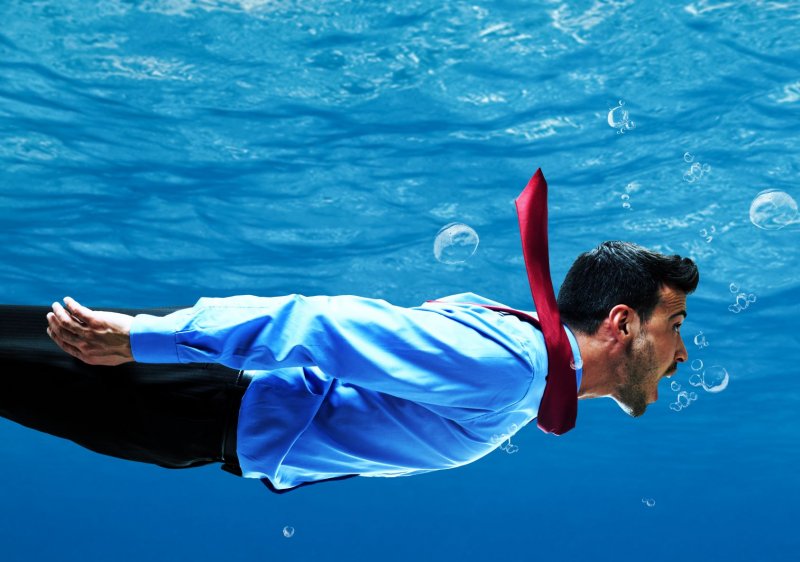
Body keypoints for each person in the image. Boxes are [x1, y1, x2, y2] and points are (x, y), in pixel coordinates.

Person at [0, 240, 698, 493]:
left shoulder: (521, 360)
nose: (683, 353)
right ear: (622, 323)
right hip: (192, 397)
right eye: (676, 326)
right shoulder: (514, 368)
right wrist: (148, 342)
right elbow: (322, 326)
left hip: (199, 397)